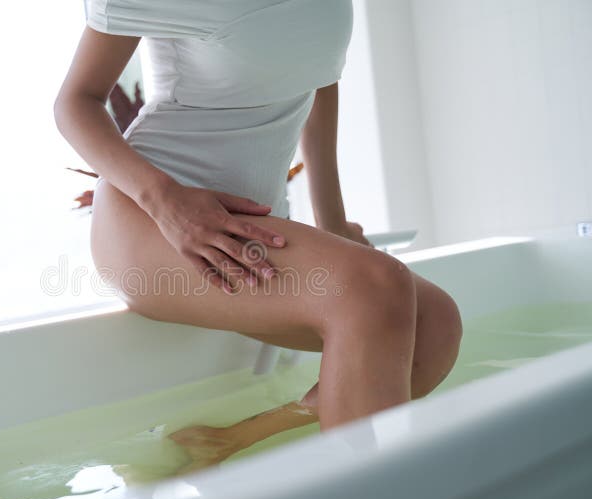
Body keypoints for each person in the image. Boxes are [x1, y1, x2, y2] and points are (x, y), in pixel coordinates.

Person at [55, 0, 463, 473]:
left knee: (435, 326)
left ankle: (243, 436)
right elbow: (75, 102)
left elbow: (317, 75)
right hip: (154, 224)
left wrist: (333, 222)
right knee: (374, 289)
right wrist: (167, 204)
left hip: (251, 223)